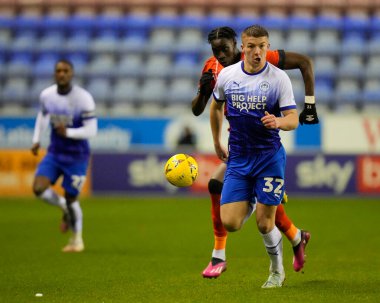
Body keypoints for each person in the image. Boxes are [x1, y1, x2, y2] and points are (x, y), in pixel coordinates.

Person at [192, 26, 316, 278]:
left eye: (224, 49)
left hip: (265, 150)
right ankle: (296, 236)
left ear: (238, 45)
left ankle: (219, 255)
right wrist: (203, 93)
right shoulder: (215, 69)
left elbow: (304, 62)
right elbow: (201, 109)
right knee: (232, 200)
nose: (220, 55)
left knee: (254, 210)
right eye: (215, 51)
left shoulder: (263, 58)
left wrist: (310, 105)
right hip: (238, 146)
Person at [210, 24, 299, 288]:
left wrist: (279, 122)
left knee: (264, 223)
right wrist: (216, 141)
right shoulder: (227, 75)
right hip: (238, 158)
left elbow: (293, 118)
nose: (257, 52)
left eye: (262, 46)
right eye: (251, 47)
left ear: (267, 47)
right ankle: (252, 195)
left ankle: (276, 270)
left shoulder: (278, 78)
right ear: (243, 48)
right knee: (231, 223)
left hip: (268, 157)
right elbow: (215, 107)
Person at [31, 59, 97, 253]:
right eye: (58, 70)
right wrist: (36, 139)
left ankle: (77, 240)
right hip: (55, 152)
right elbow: (42, 116)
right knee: (38, 188)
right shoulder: (47, 95)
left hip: (77, 156)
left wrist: (68, 132)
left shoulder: (83, 98)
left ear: (72, 74)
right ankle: (63, 207)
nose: (62, 74)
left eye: (65, 71)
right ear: (54, 73)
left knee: (72, 198)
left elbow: (92, 130)